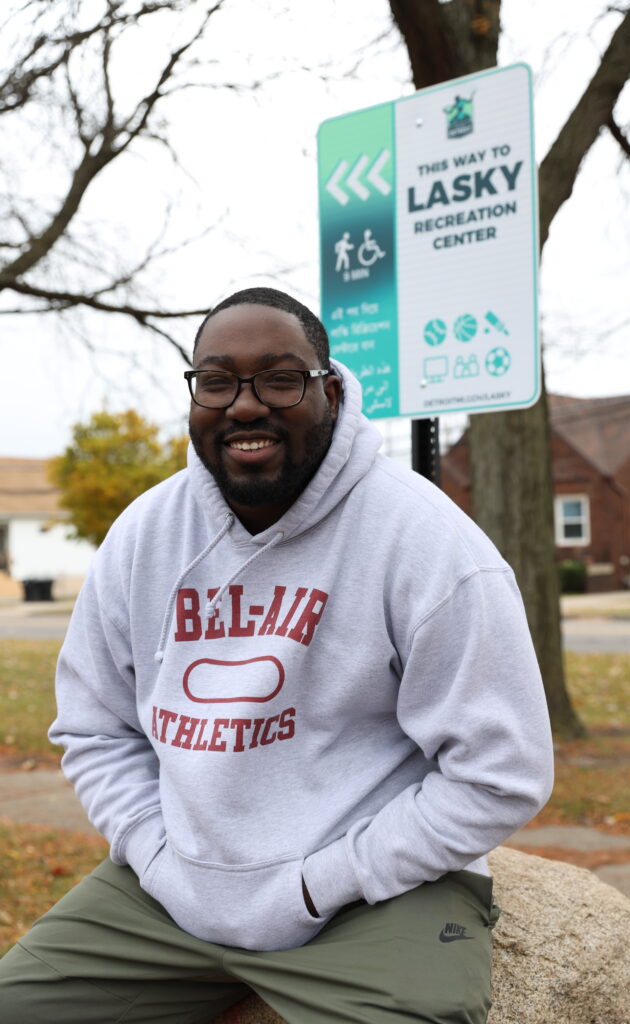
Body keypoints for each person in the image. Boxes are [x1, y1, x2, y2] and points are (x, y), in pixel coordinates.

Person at [0, 287, 554, 1024]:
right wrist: (158, 858)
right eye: (217, 380)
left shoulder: (427, 543)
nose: (244, 404)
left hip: (368, 896)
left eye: (279, 378)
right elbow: (95, 728)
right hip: (170, 888)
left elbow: (501, 772)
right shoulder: (143, 536)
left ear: (329, 392)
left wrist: (320, 881)